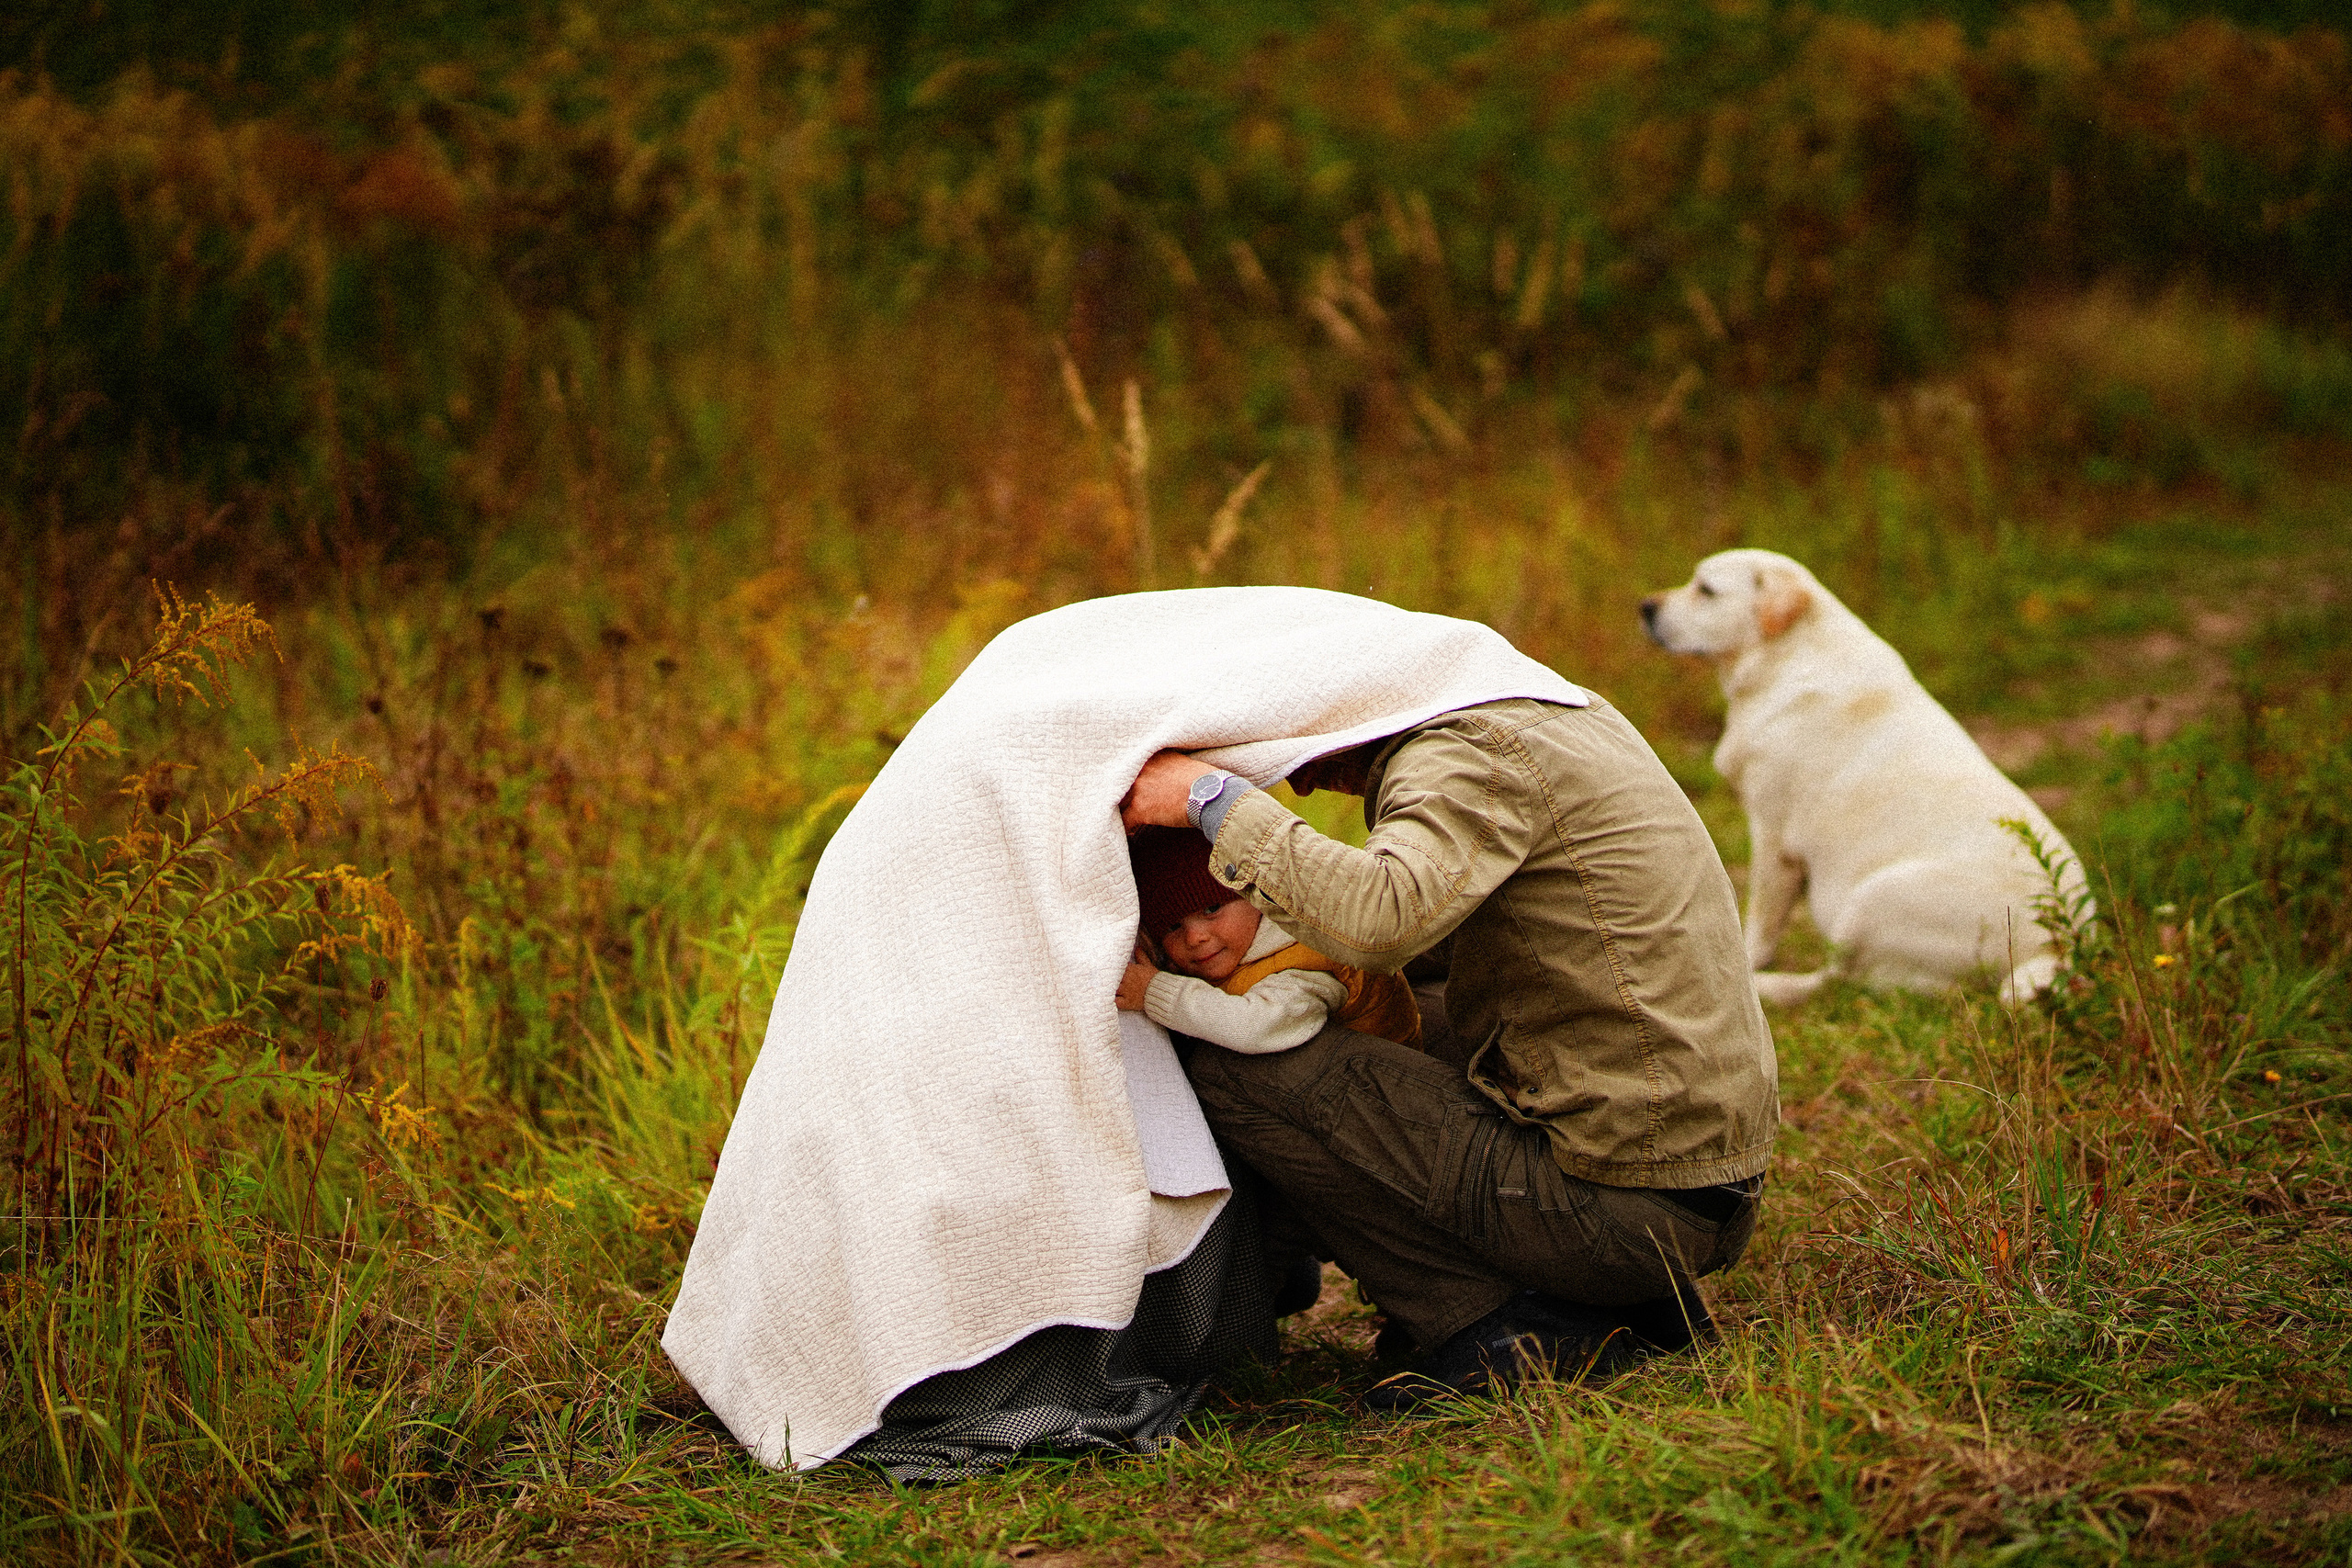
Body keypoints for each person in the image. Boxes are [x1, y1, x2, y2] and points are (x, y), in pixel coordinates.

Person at [1121, 695, 1779, 1411]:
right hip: (1685, 1187)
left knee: (1242, 1068)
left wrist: (1211, 798)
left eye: (1293, 744)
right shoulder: (1547, 713)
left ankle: (1501, 1328)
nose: (1299, 781)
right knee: (1415, 996)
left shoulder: (1465, 757)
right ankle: (1621, 1306)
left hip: (1626, 1212)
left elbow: (1380, 920)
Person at [1116, 826, 1421, 1054]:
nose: (1195, 937)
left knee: (1220, 1068)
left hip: (1383, 1085)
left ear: (1255, 897)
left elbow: (1253, 1028)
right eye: (1172, 927)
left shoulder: (1299, 955)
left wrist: (1153, 991)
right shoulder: (1239, 947)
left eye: (1212, 909)